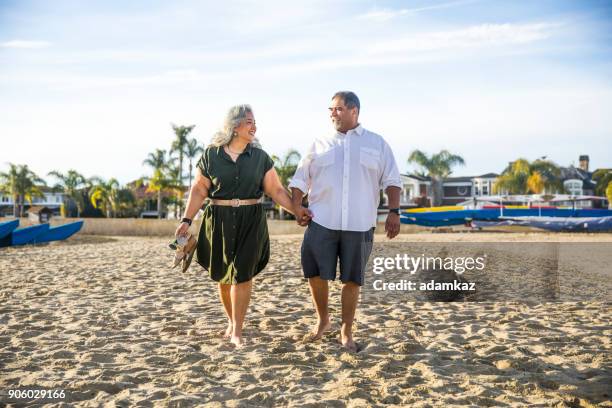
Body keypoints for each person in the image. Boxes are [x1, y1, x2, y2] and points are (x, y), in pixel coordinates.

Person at [176, 104, 309, 347]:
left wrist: (296, 210)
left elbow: (276, 190)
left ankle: (237, 329)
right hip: (218, 219)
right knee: (224, 276)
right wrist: (186, 220)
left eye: (254, 121)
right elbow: (198, 190)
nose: (254, 126)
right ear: (234, 126)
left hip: (251, 219)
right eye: (249, 121)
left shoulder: (260, 157)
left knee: (243, 274)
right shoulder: (211, 156)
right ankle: (231, 320)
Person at [289, 91, 402, 352]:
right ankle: (322, 320)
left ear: (354, 111)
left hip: (360, 224)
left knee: (353, 279)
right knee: (315, 273)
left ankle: (346, 331)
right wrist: (297, 206)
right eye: (330, 109)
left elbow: (393, 181)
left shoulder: (377, 144)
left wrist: (394, 212)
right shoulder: (319, 143)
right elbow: (299, 179)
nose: (332, 113)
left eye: (337, 109)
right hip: (321, 221)